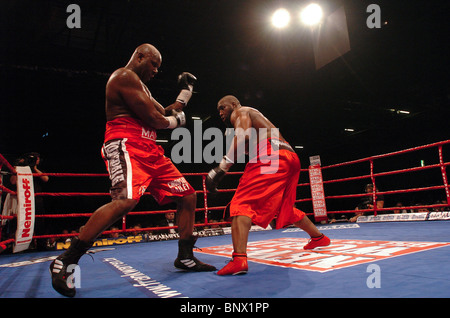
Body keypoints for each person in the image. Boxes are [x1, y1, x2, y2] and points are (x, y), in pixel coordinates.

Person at [50, 43, 215, 297]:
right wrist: (178, 122)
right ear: (140, 56)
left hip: (149, 149)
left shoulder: (143, 87)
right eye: (153, 64)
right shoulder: (123, 77)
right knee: (125, 201)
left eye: (158, 67)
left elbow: (166, 110)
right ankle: (67, 259)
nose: (156, 70)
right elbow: (158, 120)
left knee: (188, 195)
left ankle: (185, 257)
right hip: (125, 143)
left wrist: (187, 91)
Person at [206, 95, 330, 276]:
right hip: (290, 157)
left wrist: (221, 167)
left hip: (272, 156)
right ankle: (319, 238)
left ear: (233, 104)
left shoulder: (240, 111)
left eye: (222, 108)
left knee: (241, 204)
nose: (220, 113)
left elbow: (243, 137)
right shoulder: (254, 120)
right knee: (282, 207)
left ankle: (239, 259)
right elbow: (247, 145)